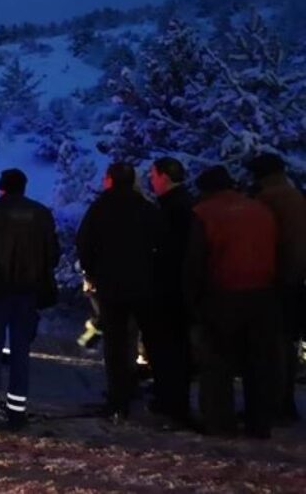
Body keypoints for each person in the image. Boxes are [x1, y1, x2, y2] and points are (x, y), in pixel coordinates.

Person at [185, 166, 279, 438]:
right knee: (258, 363)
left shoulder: (203, 214)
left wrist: (191, 301)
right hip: (263, 294)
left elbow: (195, 262)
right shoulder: (261, 210)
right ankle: (259, 422)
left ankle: (219, 422)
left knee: (217, 363)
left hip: (222, 296)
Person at [77, 162, 164, 422]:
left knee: (116, 342)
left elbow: (84, 243)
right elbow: (161, 242)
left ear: (110, 181)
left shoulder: (100, 209)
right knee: (147, 338)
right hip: (145, 284)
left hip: (112, 286)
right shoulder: (147, 208)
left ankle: (118, 399)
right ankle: (151, 390)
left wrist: (93, 273)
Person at [0, 168, 60, 431]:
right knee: (21, 353)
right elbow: (53, 255)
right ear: (24, 187)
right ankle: (17, 413)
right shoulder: (41, 214)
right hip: (27, 294)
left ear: (1, 187)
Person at [246, 153, 306, 422]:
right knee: (287, 343)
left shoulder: (267, 199)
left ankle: (273, 403)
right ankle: (285, 400)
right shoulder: (294, 195)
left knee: (272, 345)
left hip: (276, 278)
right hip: (296, 277)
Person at [149, 157, 194, 424]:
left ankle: (173, 403)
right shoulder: (184, 204)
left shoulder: (172, 209)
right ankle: (172, 399)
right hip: (177, 288)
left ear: (164, 176)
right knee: (174, 347)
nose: (151, 181)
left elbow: (167, 251)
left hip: (170, 290)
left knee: (170, 348)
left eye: (154, 175)